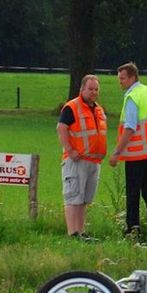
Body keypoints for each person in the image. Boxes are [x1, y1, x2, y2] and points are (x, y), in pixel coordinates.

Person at [108, 62, 147, 241]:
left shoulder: (132, 97)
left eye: (122, 78)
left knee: (133, 194)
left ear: (132, 77)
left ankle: (132, 232)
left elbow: (130, 127)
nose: (120, 82)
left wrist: (117, 152)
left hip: (138, 153)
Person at [56, 74, 107, 241]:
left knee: (84, 198)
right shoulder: (72, 107)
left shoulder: (98, 109)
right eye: (90, 89)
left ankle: (81, 232)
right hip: (77, 160)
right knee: (73, 196)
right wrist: (70, 150)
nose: (93, 92)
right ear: (82, 89)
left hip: (93, 160)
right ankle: (73, 233)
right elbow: (61, 128)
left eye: (96, 89)